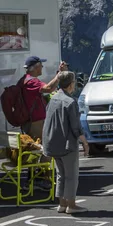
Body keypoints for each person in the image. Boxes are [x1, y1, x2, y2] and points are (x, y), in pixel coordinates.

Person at [42, 71, 89, 213]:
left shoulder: (53, 99)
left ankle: (62, 204)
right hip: (67, 144)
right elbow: (76, 127)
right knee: (71, 175)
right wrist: (85, 143)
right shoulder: (70, 102)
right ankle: (71, 205)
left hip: (53, 143)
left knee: (61, 174)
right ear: (71, 84)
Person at [21, 56, 68, 140]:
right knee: (42, 148)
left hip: (32, 121)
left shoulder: (24, 79)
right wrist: (60, 74)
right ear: (36, 67)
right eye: (41, 65)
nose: (42, 67)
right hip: (35, 123)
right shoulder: (32, 82)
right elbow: (49, 88)